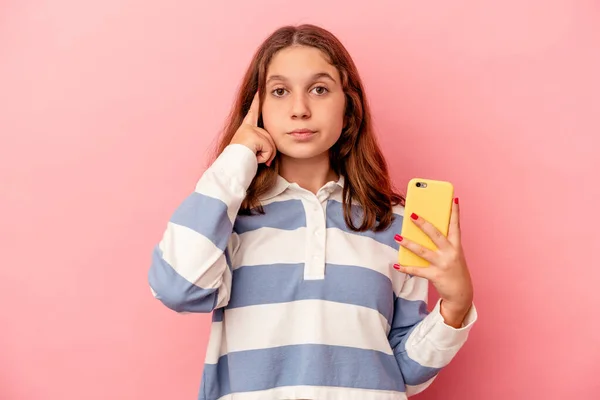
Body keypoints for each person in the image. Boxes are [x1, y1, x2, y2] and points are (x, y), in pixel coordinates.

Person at [148, 24, 477, 400]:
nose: (300, 109)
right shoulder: (227, 216)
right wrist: (234, 162)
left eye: (319, 90)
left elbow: (403, 373)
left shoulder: (394, 221)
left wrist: (455, 306)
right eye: (279, 91)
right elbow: (177, 288)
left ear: (348, 106)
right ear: (256, 108)